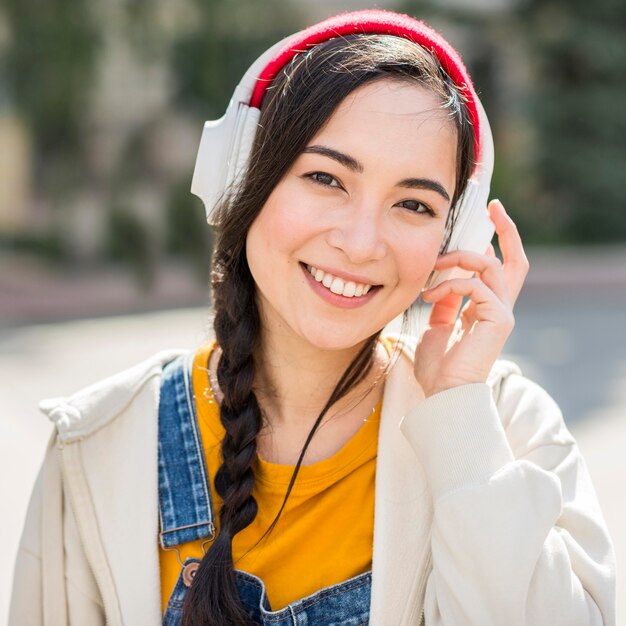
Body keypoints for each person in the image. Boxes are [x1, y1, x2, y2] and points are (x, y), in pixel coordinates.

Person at [9, 9, 615, 626]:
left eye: (413, 203)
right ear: (242, 179)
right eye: (326, 177)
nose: (360, 243)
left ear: (452, 238)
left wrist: (461, 417)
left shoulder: (506, 430)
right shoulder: (99, 445)